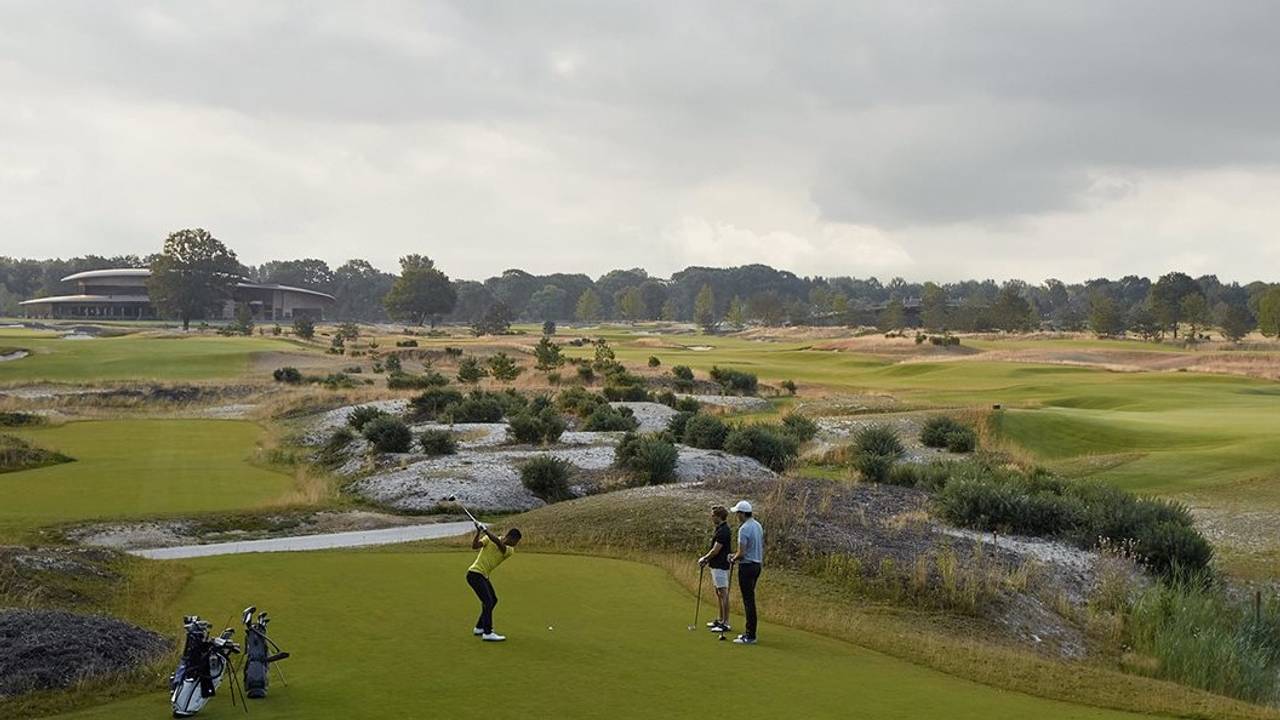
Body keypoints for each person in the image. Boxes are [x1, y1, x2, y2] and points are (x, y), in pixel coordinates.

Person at [466, 522, 522, 642]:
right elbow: (475, 546)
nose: (515, 545)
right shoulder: (488, 538)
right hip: (475, 574)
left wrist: (486, 530)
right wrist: (478, 532)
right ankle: (487, 632)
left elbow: (498, 543)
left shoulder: (509, 550)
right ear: (511, 537)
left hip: (483, 576)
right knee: (488, 601)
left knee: (493, 600)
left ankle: (479, 627)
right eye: (516, 542)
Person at [727, 500, 763, 645]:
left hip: (747, 566)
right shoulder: (757, 525)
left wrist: (732, 558)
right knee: (750, 599)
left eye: (737, 513)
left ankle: (750, 635)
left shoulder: (744, 529)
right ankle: (750, 632)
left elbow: (742, 553)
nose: (737, 516)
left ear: (742, 514)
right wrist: (735, 555)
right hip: (757, 565)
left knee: (748, 601)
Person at [697, 505, 732, 633]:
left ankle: (726, 623)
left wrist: (704, 559)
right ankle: (721, 619)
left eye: (713, 515)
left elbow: (715, 550)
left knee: (723, 593)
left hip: (720, 566)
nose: (711, 517)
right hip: (716, 565)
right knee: (719, 593)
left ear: (718, 517)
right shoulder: (720, 529)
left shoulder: (723, 531)